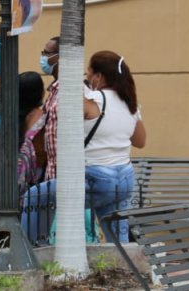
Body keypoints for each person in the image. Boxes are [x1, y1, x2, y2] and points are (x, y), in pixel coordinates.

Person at [83, 50, 146, 243]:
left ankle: (31, 253)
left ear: (99, 76)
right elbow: (140, 141)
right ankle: (124, 269)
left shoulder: (92, 100)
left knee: (34, 199)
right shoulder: (130, 103)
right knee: (118, 242)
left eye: (88, 74)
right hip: (124, 178)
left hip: (95, 176)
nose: (87, 78)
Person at [21, 36, 60, 245]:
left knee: (32, 200)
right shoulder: (53, 92)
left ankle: (27, 251)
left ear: (59, 58)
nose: (43, 57)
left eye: (47, 53)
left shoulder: (66, 91)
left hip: (59, 176)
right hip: (49, 175)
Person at [17, 71, 46, 191]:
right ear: (40, 93)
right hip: (38, 180)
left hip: (14, 182)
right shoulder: (45, 117)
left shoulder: (9, 118)